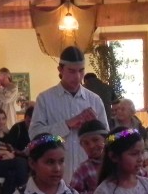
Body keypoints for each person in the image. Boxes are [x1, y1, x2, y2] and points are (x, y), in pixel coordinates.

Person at [30, 46, 109, 184]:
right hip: (56, 177)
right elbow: (35, 136)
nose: (77, 77)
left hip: (89, 177)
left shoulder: (95, 100)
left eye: (81, 71)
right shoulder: (45, 99)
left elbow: (107, 139)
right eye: (71, 71)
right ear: (60, 70)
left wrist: (95, 129)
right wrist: (67, 124)